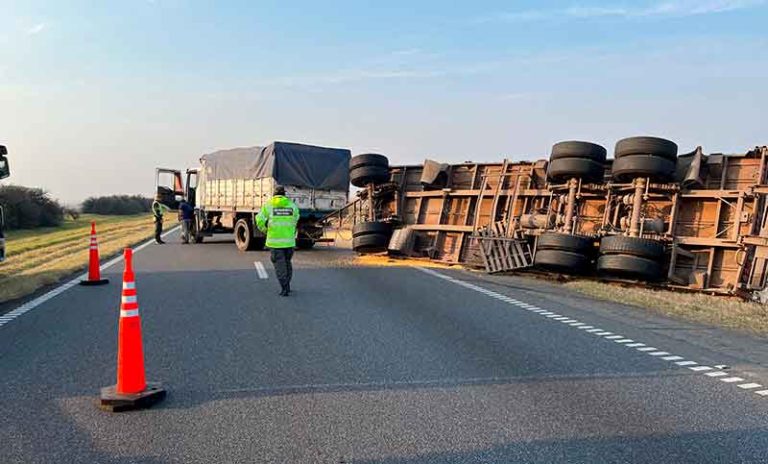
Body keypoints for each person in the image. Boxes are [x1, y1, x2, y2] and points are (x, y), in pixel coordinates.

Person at [256, 186, 299, 296]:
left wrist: (265, 230)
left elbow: (259, 219)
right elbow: (296, 218)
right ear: (284, 194)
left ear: (274, 194)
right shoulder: (292, 205)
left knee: (280, 265)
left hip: (275, 242)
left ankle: (284, 287)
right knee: (287, 263)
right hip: (289, 242)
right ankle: (287, 285)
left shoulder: (268, 205)